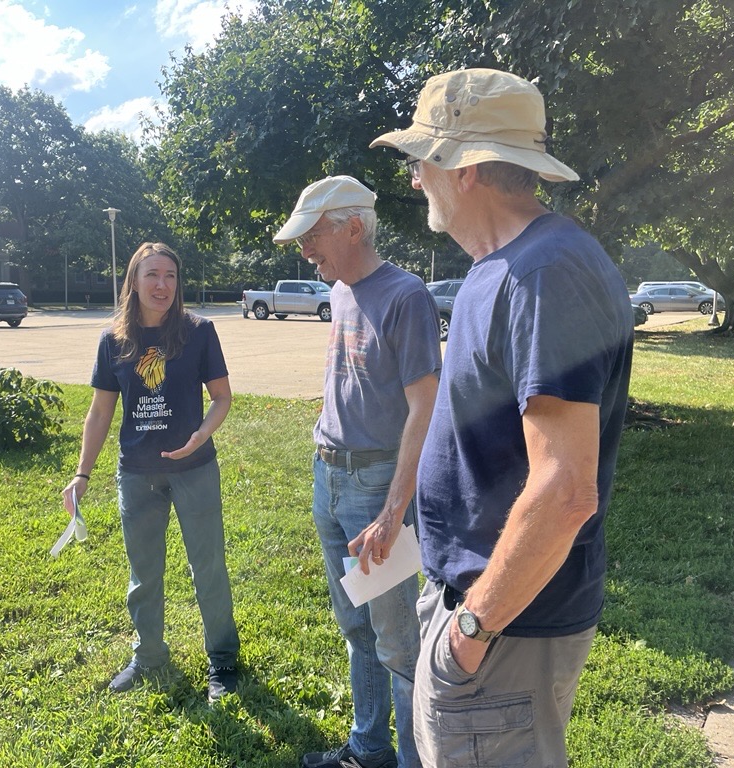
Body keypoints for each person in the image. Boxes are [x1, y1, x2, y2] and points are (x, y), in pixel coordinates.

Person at [370, 69, 634, 767]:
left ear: (467, 168)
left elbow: (566, 489)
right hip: (476, 611)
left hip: (502, 627)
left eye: (422, 158)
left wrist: (473, 628)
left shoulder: (546, 272)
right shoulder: (502, 267)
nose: (416, 176)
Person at [273, 176, 441, 768]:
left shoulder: (406, 294)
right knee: (357, 627)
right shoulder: (341, 290)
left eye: (311, 236)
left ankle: (410, 759)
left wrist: (393, 514)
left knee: (396, 643)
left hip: (375, 489)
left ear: (352, 228)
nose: (303, 250)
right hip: (330, 477)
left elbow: (426, 405)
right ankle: (369, 750)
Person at [62, 241, 240, 703]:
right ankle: (149, 656)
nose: (162, 285)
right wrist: (82, 474)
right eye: (152, 275)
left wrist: (201, 435)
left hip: (195, 468)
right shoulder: (114, 340)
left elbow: (221, 397)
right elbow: (100, 412)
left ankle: (222, 659)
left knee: (209, 568)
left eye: (171, 276)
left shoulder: (199, 331)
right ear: (134, 282)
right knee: (144, 573)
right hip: (137, 474)